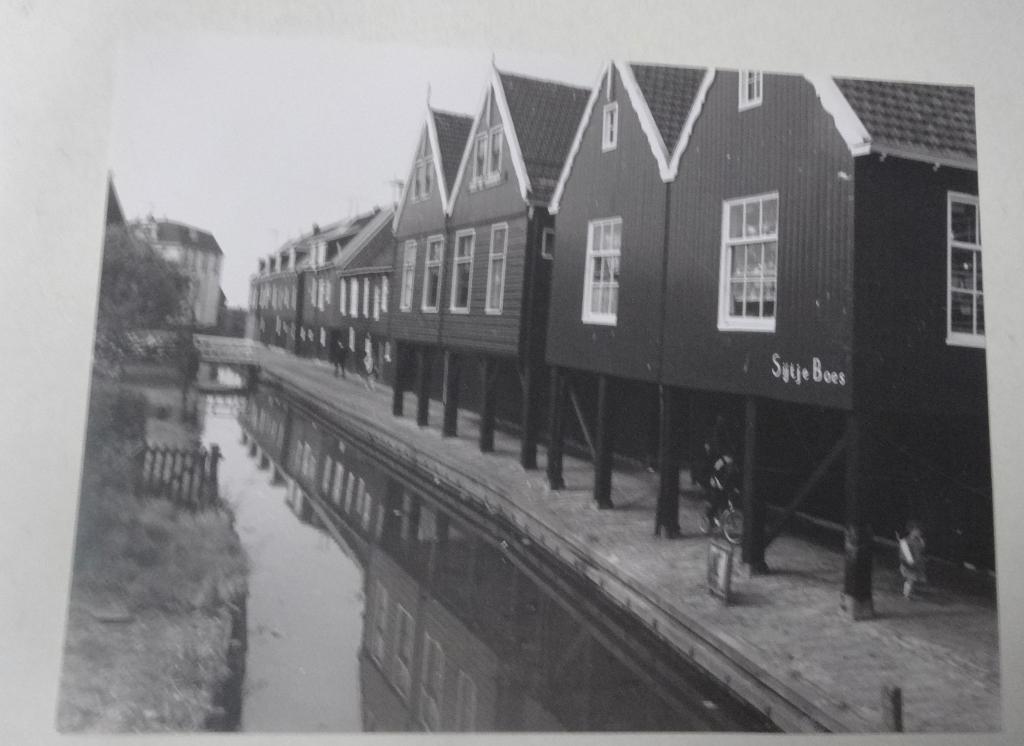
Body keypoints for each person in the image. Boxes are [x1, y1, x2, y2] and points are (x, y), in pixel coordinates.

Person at [899, 520, 927, 599]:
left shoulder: (919, 541)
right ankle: (906, 594)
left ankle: (908, 592)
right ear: (912, 531)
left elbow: (921, 551)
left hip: (916, 564)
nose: (919, 533)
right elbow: (905, 553)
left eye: (919, 531)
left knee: (912, 580)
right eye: (917, 531)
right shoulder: (905, 541)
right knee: (910, 579)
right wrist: (910, 562)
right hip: (908, 564)